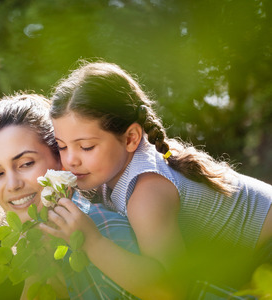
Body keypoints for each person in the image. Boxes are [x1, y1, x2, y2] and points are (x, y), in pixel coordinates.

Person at [40, 60, 272, 300]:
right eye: (62, 146)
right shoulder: (124, 169)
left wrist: (91, 242)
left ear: (131, 137)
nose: (71, 160)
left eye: (86, 147)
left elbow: (171, 292)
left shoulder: (147, 192)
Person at [0, 93, 141, 300]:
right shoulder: (32, 251)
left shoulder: (104, 231)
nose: (13, 185)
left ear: (60, 160)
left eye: (26, 164)